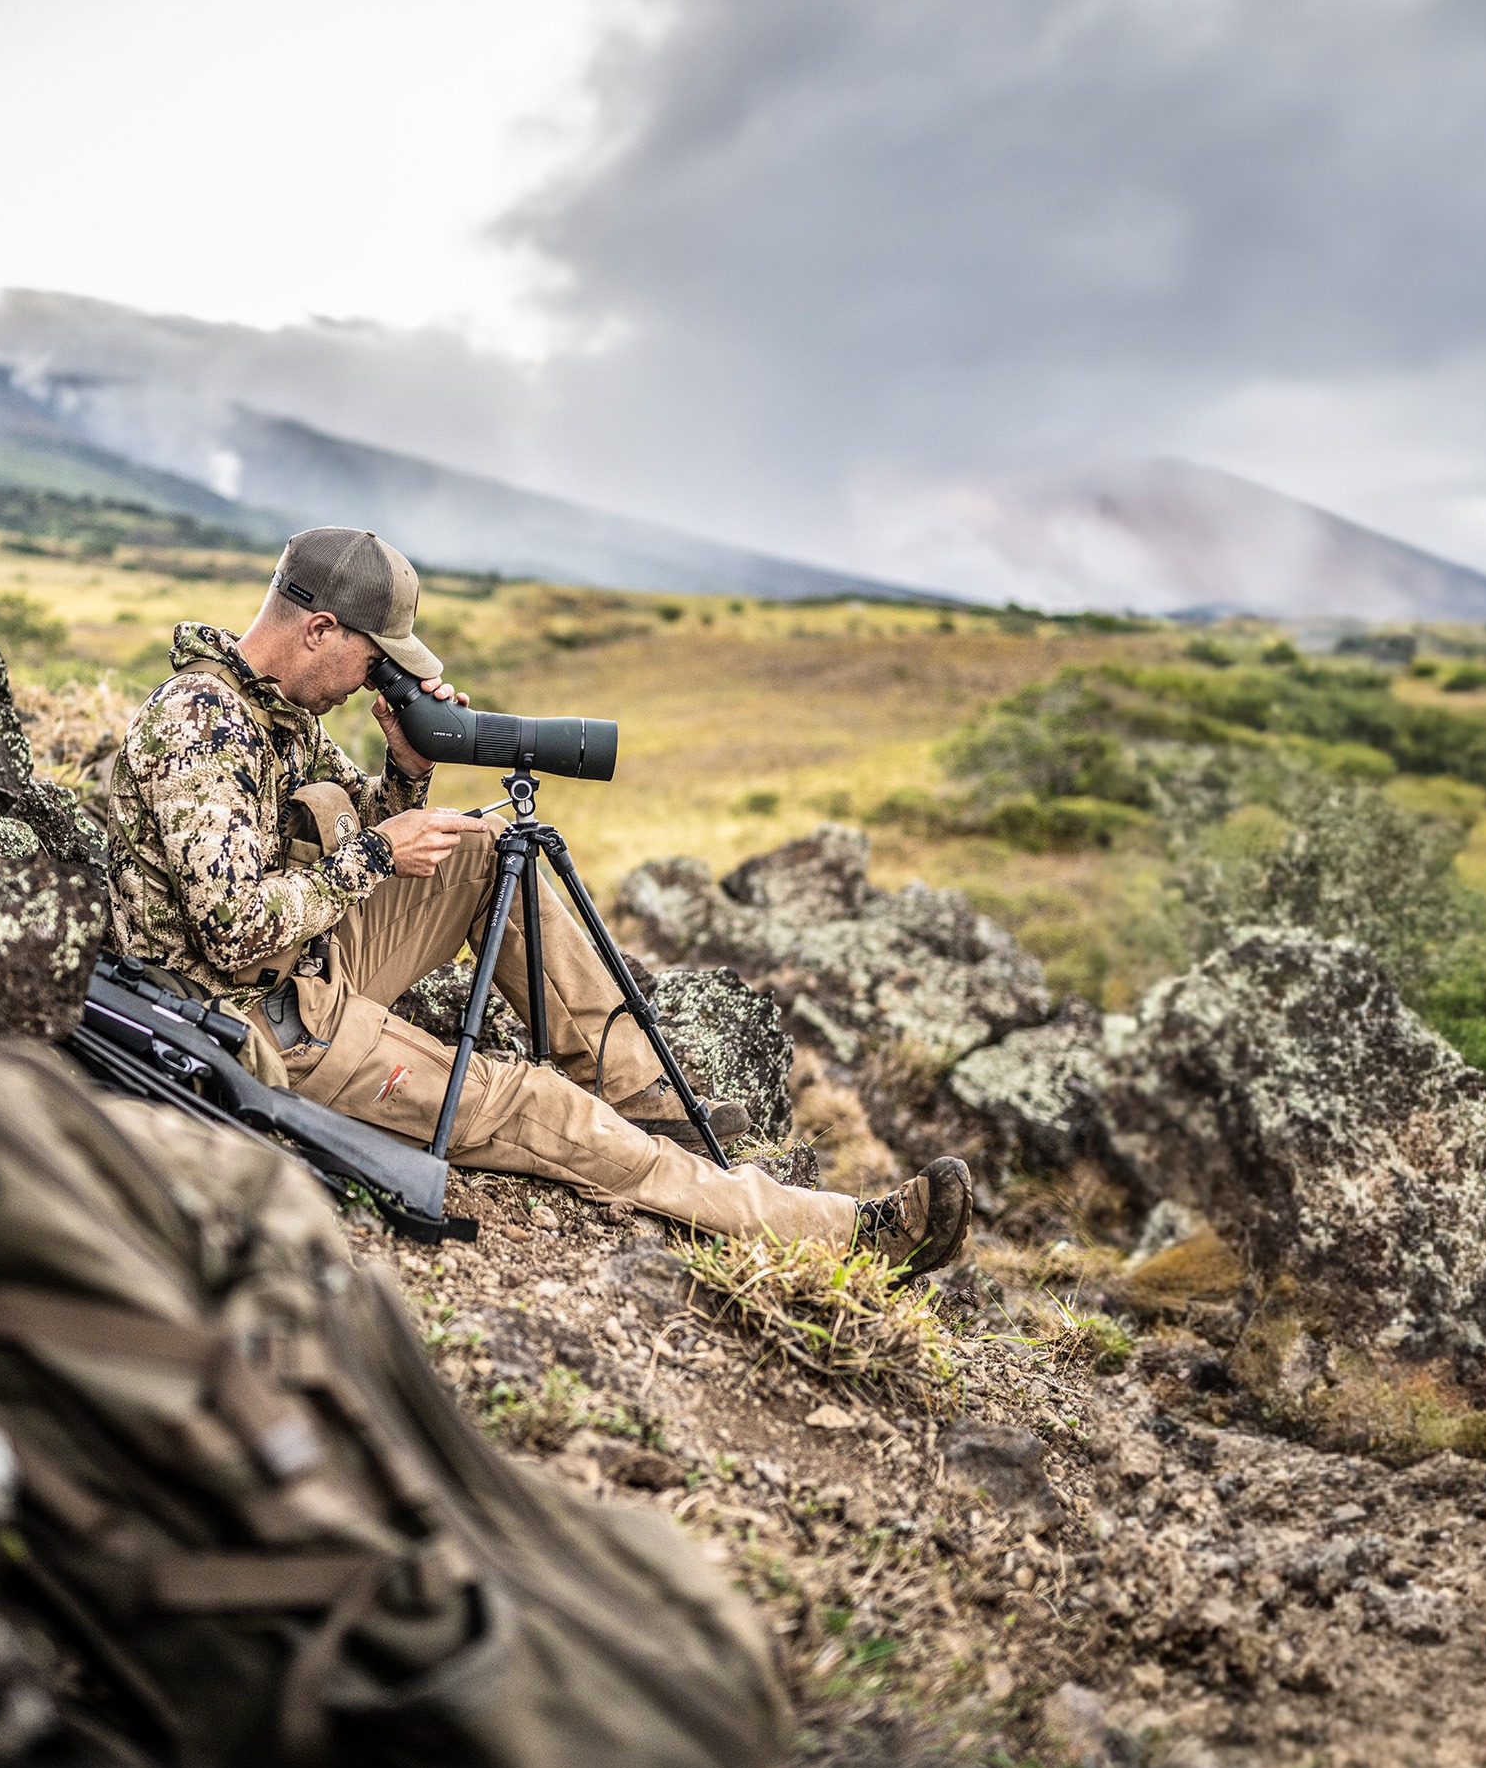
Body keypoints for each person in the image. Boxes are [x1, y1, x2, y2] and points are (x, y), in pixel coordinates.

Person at [103, 527, 969, 1274]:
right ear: (322, 631)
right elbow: (232, 928)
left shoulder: (279, 713)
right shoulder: (201, 723)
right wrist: (377, 853)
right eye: (376, 659)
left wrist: (405, 769)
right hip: (260, 1018)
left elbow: (346, 836)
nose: (376, 680)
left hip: (312, 957)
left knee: (481, 854)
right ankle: (850, 1234)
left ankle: (650, 1097)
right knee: (536, 1106)